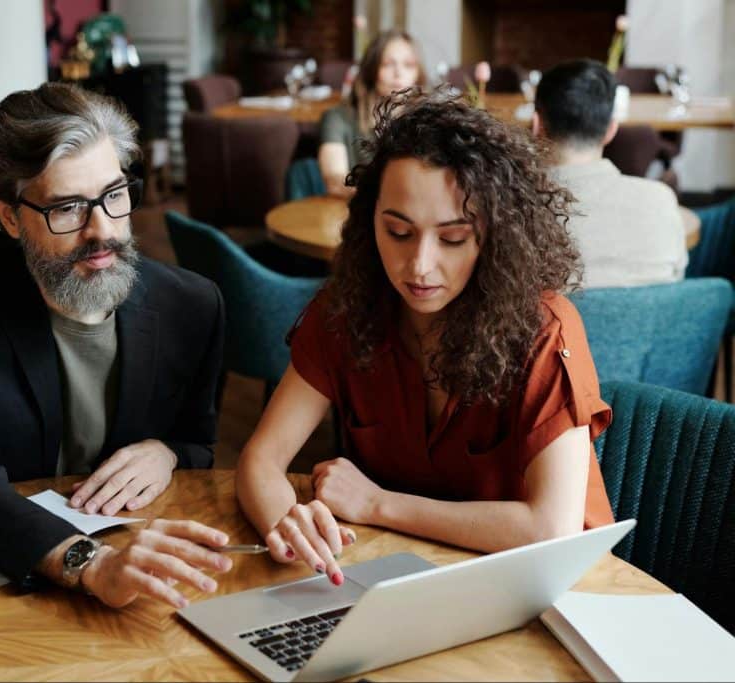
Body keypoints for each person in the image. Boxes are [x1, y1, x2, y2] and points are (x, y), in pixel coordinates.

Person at [237, 88, 615, 586]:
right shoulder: (349, 308)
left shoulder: (544, 329)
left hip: (550, 594)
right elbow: (260, 460)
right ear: (368, 221)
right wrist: (289, 521)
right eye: (398, 232)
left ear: (494, 235)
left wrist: (377, 504)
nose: (419, 266)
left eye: (453, 238)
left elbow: (550, 528)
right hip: (403, 576)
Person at [0, 83, 231, 610]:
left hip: (139, 562)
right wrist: (88, 563)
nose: (103, 231)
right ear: (8, 216)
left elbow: (197, 445)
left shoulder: (194, 306)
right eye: (68, 208)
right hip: (0, 572)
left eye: (114, 196)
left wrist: (167, 453)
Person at [533, 59, 687, 288]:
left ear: (537, 125)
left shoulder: (512, 211)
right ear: (611, 130)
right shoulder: (660, 201)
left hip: (548, 325)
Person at [318, 30, 427, 199]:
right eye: (388, 64)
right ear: (371, 69)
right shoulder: (338, 117)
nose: (398, 73)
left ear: (417, 74)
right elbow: (335, 181)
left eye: (408, 65)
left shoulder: (426, 120)